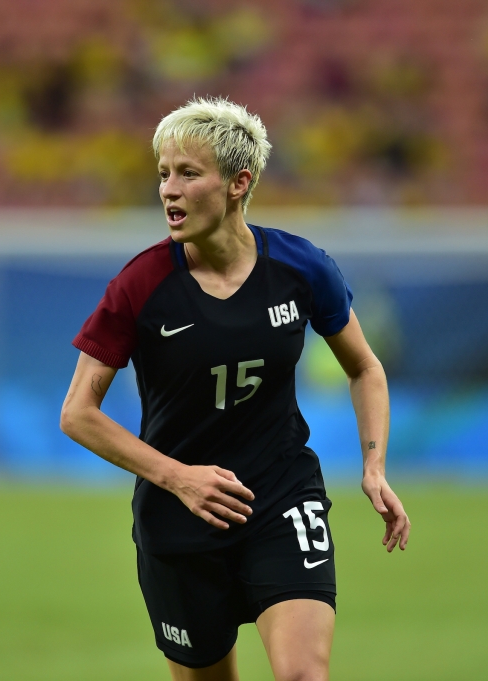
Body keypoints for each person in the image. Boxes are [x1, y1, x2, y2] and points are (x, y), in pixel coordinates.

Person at [60, 96, 409, 681]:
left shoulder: (302, 268)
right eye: (164, 174)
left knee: (303, 675)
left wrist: (374, 467)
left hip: (280, 494)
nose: (169, 190)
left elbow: (365, 368)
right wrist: (177, 476)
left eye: (188, 174)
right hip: (179, 516)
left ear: (238, 183)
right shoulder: (139, 286)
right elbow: (78, 413)